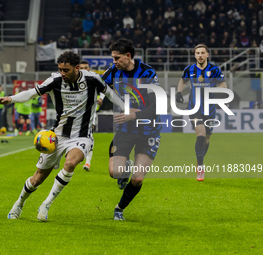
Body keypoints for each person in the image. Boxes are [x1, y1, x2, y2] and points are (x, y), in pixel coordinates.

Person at [0, 51, 126, 221]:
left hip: (82, 136)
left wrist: (126, 107)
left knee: (70, 163)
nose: (62, 73)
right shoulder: (55, 80)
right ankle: (19, 204)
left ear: (77, 68)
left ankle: (46, 204)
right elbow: (32, 93)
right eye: (60, 69)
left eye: (66, 70)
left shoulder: (92, 79)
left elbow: (109, 93)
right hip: (57, 136)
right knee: (37, 178)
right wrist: (10, 99)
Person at [102, 38, 162, 220]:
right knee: (115, 172)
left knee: (137, 178)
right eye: (113, 58)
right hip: (126, 130)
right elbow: (97, 86)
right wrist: (98, 97)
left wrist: (134, 115)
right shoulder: (113, 72)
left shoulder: (148, 73)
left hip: (148, 132)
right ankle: (125, 167)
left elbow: (156, 107)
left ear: (128, 56)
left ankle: (119, 208)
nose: (114, 62)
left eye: (117, 58)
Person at [175, 43, 227, 182]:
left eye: (202, 53)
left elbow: (223, 84)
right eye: (197, 53)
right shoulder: (189, 69)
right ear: (195, 55)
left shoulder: (215, 70)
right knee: (201, 135)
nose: (200, 55)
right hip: (194, 108)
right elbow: (182, 81)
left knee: (207, 138)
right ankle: (201, 167)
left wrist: (221, 92)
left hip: (210, 108)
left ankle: (200, 159)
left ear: (207, 55)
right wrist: (179, 92)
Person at [79, 60, 103, 171]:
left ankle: (87, 163)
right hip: (76, 112)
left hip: (90, 111)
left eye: (86, 67)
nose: (84, 70)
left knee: (89, 133)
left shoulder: (94, 78)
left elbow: (105, 86)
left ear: (89, 68)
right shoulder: (74, 79)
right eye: (82, 68)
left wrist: (101, 98)